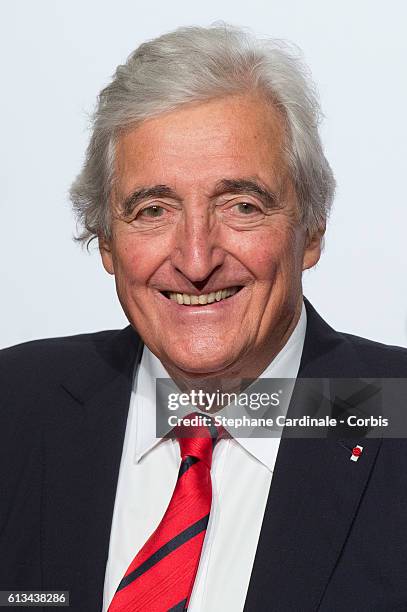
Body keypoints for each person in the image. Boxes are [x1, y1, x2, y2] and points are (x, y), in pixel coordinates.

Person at [1, 24, 406, 612]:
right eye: (153, 209)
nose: (196, 260)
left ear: (312, 230)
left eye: (241, 206)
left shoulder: (390, 412)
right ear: (107, 241)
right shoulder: (14, 405)